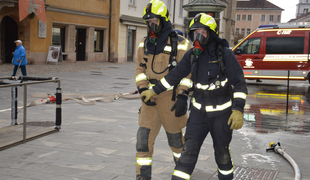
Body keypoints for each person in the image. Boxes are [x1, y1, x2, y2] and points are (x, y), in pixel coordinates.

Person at [141, 13, 248, 180]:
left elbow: (240, 84)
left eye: (202, 32)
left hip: (221, 115)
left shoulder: (225, 55)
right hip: (198, 114)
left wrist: (238, 110)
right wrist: (154, 91)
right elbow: (174, 76)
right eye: (195, 32)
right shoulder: (192, 55)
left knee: (222, 152)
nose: (198, 36)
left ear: (211, 33)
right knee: (188, 152)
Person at [135, 0, 191, 179]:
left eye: (154, 21)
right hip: (149, 101)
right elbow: (139, 70)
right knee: (143, 141)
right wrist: (143, 90)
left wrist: (183, 96)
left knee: (176, 142)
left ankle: (182, 174)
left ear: (164, 20)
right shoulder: (144, 44)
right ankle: (142, 176)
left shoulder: (181, 44)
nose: (151, 25)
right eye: (148, 21)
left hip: (171, 100)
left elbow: (187, 73)